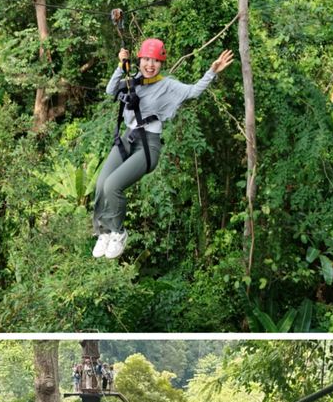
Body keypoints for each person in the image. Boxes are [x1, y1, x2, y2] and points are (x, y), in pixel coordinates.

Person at [92, 40, 234, 260]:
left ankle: (119, 233)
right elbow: (110, 89)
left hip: (147, 146)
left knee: (113, 185)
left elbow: (194, 91)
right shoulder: (132, 81)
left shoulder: (168, 85)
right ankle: (104, 231)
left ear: (161, 64)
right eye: (147, 59)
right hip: (127, 139)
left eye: (156, 61)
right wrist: (121, 66)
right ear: (139, 60)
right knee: (100, 184)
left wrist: (212, 71)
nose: (151, 65)